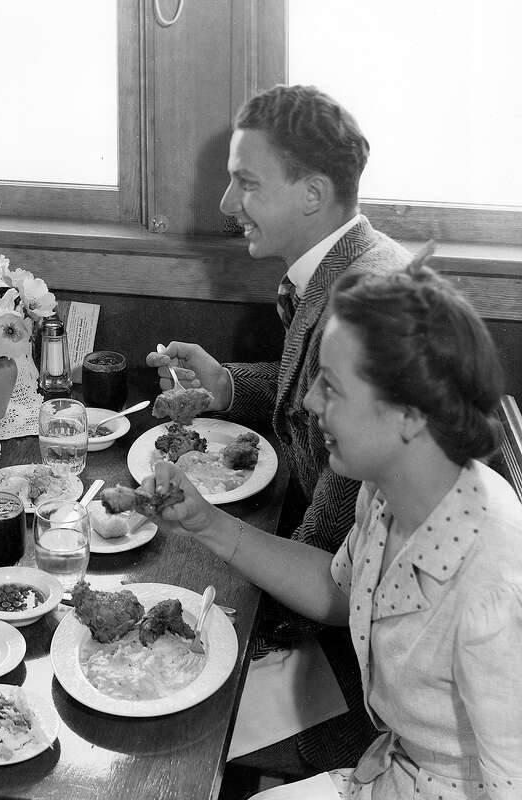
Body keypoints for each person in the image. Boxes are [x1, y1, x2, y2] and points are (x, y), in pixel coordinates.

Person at [147, 265, 522, 799]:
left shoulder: (496, 589)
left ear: (409, 414)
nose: (309, 403)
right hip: (390, 764)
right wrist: (207, 522)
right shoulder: (388, 488)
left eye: (333, 387)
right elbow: (339, 590)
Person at [146, 84, 412, 769]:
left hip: (365, 671)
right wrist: (225, 387)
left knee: (165, 725)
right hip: (334, 593)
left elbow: (328, 575)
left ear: (312, 193)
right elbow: (305, 394)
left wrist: (208, 532)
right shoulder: (348, 263)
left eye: (245, 183)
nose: (227, 205)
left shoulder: (364, 305)